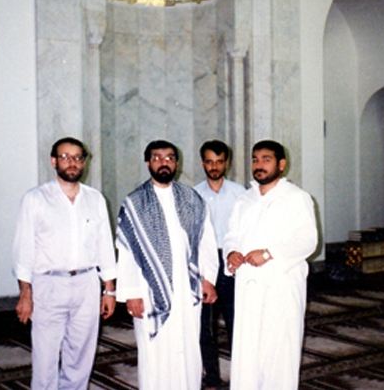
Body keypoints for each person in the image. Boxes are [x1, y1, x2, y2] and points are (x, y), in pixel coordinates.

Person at [13, 137, 117, 389]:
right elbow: (23, 248)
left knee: (81, 354)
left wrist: (110, 290)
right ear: (53, 161)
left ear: (84, 162)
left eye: (78, 158)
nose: (72, 163)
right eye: (65, 157)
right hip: (49, 284)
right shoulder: (36, 199)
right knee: (45, 356)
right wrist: (25, 293)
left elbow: (105, 246)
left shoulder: (95, 199)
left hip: (87, 283)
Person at [115, 139, 219, 390]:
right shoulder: (134, 202)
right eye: (157, 158)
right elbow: (127, 252)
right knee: (155, 354)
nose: (164, 162)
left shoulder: (191, 198)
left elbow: (206, 241)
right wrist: (131, 293)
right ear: (148, 162)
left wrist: (208, 279)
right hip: (148, 290)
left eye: (170, 158)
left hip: (187, 287)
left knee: (188, 348)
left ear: (177, 163)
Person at [224, 140, 318, 390]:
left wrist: (268, 254)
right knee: (248, 352)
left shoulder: (297, 198)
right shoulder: (244, 199)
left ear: (281, 164)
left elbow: (308, 241)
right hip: (248, 287)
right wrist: (231, 252)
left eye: (266, 159)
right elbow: (231, 235)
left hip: (281, 288)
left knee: (279, 353)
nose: (259, 165)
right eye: (255, 159)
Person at [194, 140, 245, 389]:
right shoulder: (193, 195)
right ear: (202, 163)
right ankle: (212, 376)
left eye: (219, 161)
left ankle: (242, 376)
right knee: (205, 327)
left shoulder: (240, 193)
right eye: (209, 162)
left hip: (232, 264)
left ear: (227, 162)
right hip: (204, 266)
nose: (214, 167)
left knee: (238, 324)